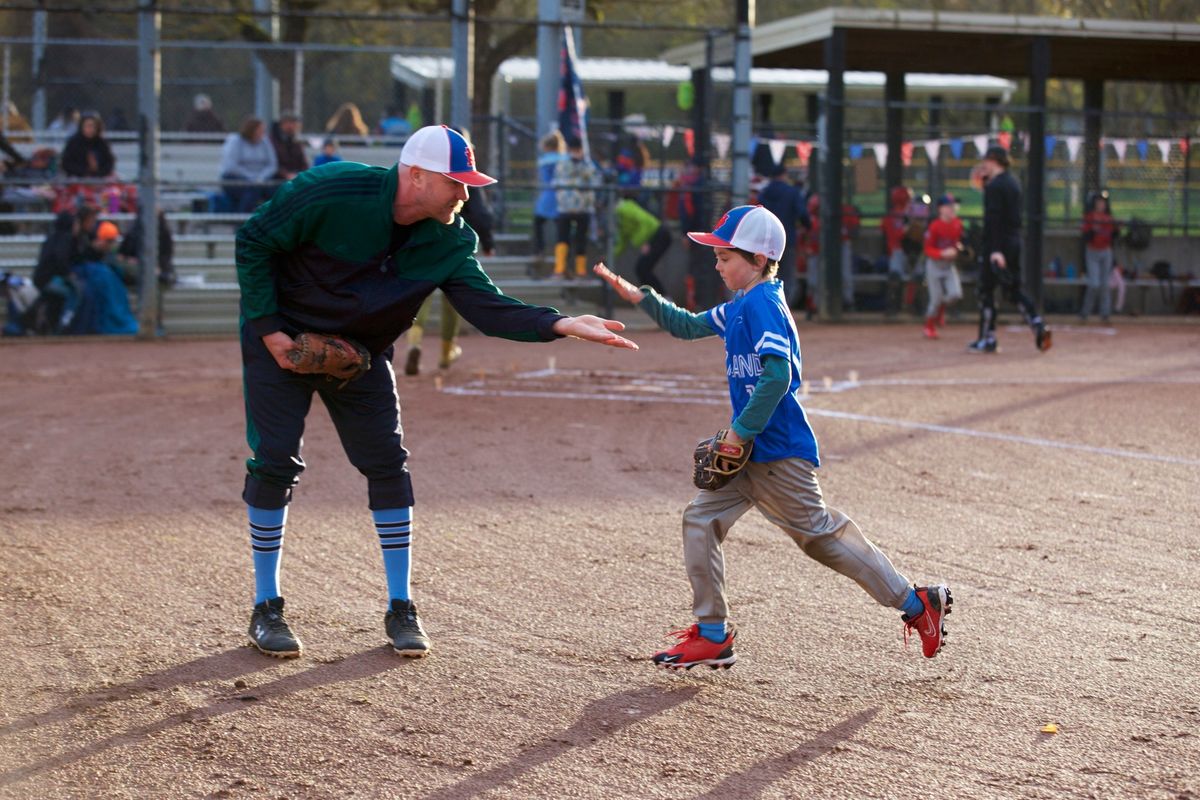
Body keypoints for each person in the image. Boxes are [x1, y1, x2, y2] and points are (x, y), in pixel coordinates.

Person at [235, 124, 637, 660]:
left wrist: (560, 324)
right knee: (276, 459)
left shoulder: (450, 238)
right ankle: (267, 606)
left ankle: (401, 606)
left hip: (360, 355)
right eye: (456, 182)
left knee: (386, 463)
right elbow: (255, 239)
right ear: (417, 176)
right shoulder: (331, 190)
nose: (466, 194)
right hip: (280, 342)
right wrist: (271, 332)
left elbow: (486, 306)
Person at [593, 205, 951, 671]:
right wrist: (642, 297)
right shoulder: (741, 304)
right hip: (748, 455)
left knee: (820, 538)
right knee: (700, 521)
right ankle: (712, 633)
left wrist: (740, 432)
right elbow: (687, 325)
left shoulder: (763, 304)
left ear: (759, 260)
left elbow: (778, 376)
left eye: (725, 257)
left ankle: (916, 602)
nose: (716, 264)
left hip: (777, 451)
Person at [405, 127, 498, 376]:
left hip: (424, 242)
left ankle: (414, 342)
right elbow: (479, 213)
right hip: (451, 245)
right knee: (453, 299)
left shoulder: (428, 175)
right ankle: (446, 353)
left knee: (420, 296)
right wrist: (487, 242)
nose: (464, 194)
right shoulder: (460, 173)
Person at [970, 146, 1051, 354]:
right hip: (1014, 242)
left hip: (997, 245)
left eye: (988, 160)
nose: (984, 165)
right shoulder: (1012, 182)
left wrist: (995, 250)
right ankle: (1037, 323)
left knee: (985, 290)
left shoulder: (995, 186)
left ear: (995, 161)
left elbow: (994, 220)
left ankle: (987, 338)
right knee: (1013, 290)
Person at [67, 220, 138, 335]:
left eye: (112, 241)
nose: (111, 244)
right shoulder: (84, 245)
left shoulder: (109, 257)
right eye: (109, 241)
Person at [757, 162, 807, 306]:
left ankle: (768, 308)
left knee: (766, 275)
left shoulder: (764, 193)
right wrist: (806, 226)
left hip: (765, 242)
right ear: (784, 175)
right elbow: (802, 214)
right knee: (787, 276)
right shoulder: (792, 192)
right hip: (787, 239)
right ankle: (784, 308)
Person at [553, 136, 598, 279]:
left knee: (580, 239)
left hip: (582, 208)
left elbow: (594, 179)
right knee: (563, 238)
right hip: (566, 207)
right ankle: (560, 270)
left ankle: (580, 271)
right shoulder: (564, 163)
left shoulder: (587, 164)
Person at [921, 194, 965, 340]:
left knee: (956, 294)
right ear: (941, 209)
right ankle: (929, 326)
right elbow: (927, 249)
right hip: (934, 265)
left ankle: (941, 310)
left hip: (948, 265)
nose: (952, 208)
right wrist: (942, 253)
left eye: (953, 206)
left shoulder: (958, 224)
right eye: (948, 206)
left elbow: (957, 243)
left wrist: (957, 249)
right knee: (935, 299)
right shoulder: (935, 226)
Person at [613, 191, 672, 296]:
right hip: (654, 237)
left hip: (659, 235)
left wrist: (645, 242)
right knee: (642, 269)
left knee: (642, 268)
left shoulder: (625, 209)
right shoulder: (620, 219)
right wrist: (611, 255)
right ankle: (653, 298)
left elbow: (643, 222)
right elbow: (623, 240)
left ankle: (662, 297)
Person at [220, 116, 277, 213]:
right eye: (260, 130)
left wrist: (261, 177)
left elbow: (272, 165)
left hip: (261, 180)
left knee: (277, 192)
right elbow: (231, 166)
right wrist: (252, 178)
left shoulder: (265, 142)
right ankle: (242, 223)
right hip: (235, 179)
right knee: (252, 192)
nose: (263, 133)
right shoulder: (235, 141)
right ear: (251, 130)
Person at [1079, 192, 1119, 323]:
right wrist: (1093, 230)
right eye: (1098, 202)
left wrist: (1117, 229)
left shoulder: (1109, 218)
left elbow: (1115, 237)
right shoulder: (1089, 217)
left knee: (1105, 285)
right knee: (1094, 284)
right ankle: (1085, 313)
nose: (1101, 204)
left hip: (1106, 252)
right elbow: (1085, 237)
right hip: (1092, 252)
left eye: (1103, 202)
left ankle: (1105, 315)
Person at [533, 130, 565, 273]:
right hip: (562, 196)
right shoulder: (564, 158)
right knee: (562, 229)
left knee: (538, 222)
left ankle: (540, 251)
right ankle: (563, 259)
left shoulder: (544, 160)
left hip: (548, 195)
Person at [881, 185, 912, 317]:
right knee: (896, 277)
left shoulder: (901, 214)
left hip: (903, 251)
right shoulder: (897, 215)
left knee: (913, 277)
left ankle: (906, 305)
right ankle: (898, 306)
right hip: (900, 251)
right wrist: (907, 228)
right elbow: (897, 234)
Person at [60, 113, 116, 179]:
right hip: (78, 178)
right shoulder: (74, 143)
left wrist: (99, 172)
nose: (90, 129)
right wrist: (84, 172)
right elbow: (66, 163)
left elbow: (109, 162)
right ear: (82, 127)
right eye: (87, 126)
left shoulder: (102, 143)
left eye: (93, 126)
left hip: (100, 178)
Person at [270, 110, 308, 182]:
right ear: (282, 124)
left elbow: (304, 164)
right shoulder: (272, 141)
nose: (294, 126)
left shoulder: (296, 142)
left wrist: (301, 174)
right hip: (277, 180)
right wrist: (286, 174)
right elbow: (272, 164)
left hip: (295, 178)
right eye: (291, 123)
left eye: (295, 123)